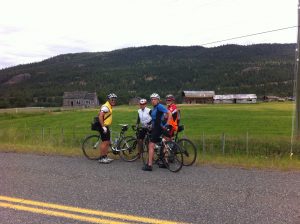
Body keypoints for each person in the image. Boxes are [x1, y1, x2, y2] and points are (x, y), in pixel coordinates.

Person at [142, 93, 172, 171]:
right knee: (164, 143)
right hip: (158, 127)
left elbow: (169, 113)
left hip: (159, 128)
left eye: (155, 99)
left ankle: (149, 165)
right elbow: (154, 119)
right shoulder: (155, 108)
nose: (153, 100)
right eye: (152, 99)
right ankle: (165, 162)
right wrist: (149, 124)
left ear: (158, 100)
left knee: (151, 145)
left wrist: (168, 124)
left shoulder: (159, 106)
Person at [98, 93, 117, 164]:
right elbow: (100, 116)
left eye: (114, 99)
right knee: (105, 142)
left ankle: (105, 156)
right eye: (112, 99)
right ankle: (101, 158)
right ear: (108, 100)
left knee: (108, 142)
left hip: (106, 126)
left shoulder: (109, 106)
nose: (113, 101)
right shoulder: (106, 107)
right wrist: (103, 126)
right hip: (103, 126)